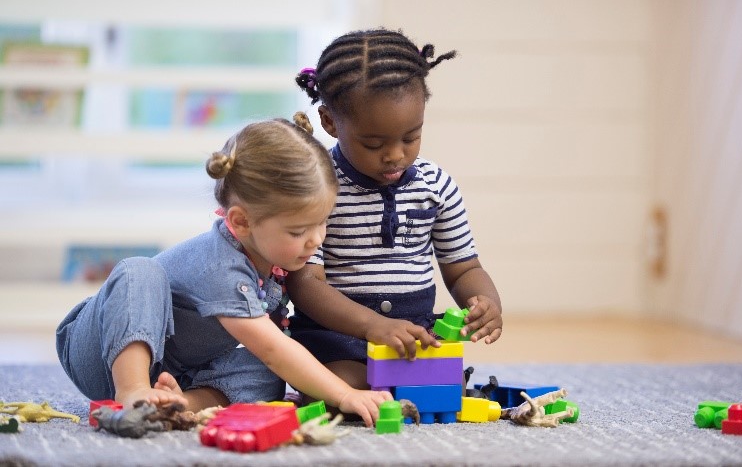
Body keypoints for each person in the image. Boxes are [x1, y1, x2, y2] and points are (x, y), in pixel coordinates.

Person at [56, 113, 392, 427]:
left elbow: (272, 352)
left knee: (266, 374)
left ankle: (179, 404)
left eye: (322, 223)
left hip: (177, 368)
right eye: (297, 232)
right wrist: (345, 394)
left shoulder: (271, 259)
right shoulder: (222, 267)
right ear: (241, 222)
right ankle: (133, 392)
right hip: (100, 351)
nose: (315, 240)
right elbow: (275, 347)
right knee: (139, 271)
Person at [287, 28, 503, 392]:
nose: (395, 155)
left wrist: (486, 303)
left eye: (410, 137)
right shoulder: (317, 186)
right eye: (373, 143)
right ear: (329, 122)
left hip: (414, 335)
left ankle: (397, 383)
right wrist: (372, 326)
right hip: (338, 336)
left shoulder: (436, 187)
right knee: (339, 384)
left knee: (442, 385)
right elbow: (305, 282)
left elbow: (464, 267)